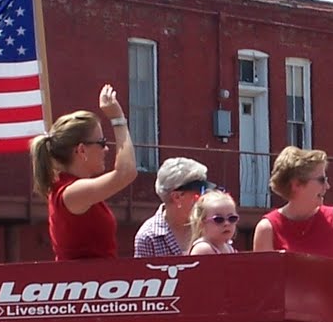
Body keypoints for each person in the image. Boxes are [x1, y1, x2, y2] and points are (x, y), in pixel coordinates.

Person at [29, 85, 137, 260]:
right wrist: (118, 119)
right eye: (101, 142)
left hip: (94, 284)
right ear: (81, 150)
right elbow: (126, 173)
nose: (106, 149)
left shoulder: (70, 189)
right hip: (85, 284)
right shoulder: (71, 192)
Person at [253, 146, 333, 260]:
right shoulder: (267, 229)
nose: (327, 186)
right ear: (296, 185)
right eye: (321, 180)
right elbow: (263, 276)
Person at [134, 157, 214, 257]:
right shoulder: (149, 237)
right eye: (199, 192)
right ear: (177, 197)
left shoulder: (211, 225)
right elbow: (144, 272)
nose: (204, 197)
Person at [187, 191, 240, 255]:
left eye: (232, 218)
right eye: (218, 219)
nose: (227, 223)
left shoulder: (228, 248)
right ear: (202, 224)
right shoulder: (203, 249)